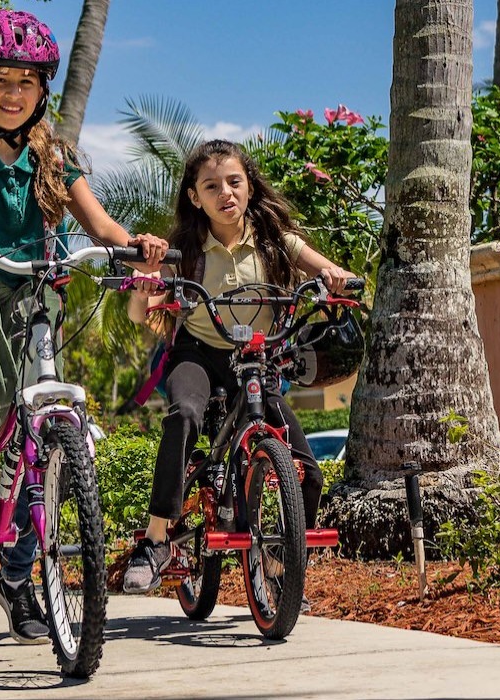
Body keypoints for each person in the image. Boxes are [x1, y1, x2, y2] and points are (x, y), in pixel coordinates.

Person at [0, 9, 167, 642]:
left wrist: (135, 245)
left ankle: (18, 575)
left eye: (26, 81)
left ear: (42, 88)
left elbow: (101, 225)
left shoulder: (54, 157)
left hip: (31, 305)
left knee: (44, 440)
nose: (12, 94)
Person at [120, 140, 357, 594]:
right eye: (211, 186)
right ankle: (154, 542)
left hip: (256, 361)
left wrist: (335, 277)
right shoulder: (184, 250)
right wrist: (144, 284)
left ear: (249, 187)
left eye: (234, 182)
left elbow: (327, 269)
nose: (225, 193)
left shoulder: (274, 242)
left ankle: (277, 571)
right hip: (200, 354)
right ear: (195, 197)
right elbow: (140, 312)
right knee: (183, 414)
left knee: (308, 470)